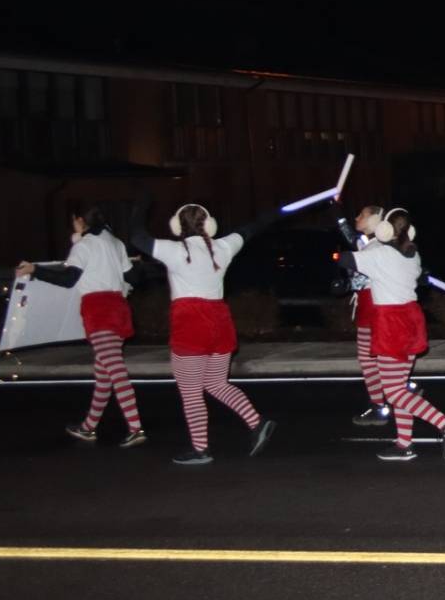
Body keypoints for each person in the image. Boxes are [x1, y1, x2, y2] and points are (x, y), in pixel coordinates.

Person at [129, 197, 280, 466]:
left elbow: (137, 237)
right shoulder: (223, 246)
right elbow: (252, 228)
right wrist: (274, 213)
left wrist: (141, 205)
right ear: (209, 225)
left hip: (190, 324)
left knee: (191, 392)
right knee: (216, 383)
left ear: (177, 226)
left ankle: (200, 449)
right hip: (219, 322)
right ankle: (257, 422)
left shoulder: (173, 250)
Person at [338, 207, 445, 462]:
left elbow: (345, 259)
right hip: (411, 318)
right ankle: (404, 444)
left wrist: (344, 251)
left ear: (384, 229)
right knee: (399, 386)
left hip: (391, 322)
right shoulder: (412, 255)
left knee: (394, 392)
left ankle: (444, 423)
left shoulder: (379, 254)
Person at [17, 207, 146, 447]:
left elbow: (68, 279)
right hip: (118, 308)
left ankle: (135, 427)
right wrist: (131, 263)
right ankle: (88, 427)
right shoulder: (115, 243)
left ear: (79, 221)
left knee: (115, 370)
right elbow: (134, 278)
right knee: (104, 374)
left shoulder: (84, 246)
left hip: (98, 311)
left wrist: (35, 270)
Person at [336, 206, 394, 428]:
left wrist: (346, 284)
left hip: (373, 306)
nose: (357, 217)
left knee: (370, 360)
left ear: (375, 219)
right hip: (372, 305)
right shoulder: (374, 244)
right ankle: (399, 391)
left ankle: (380, 405)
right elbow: (353, 239)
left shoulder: (376, 248)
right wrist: (338, 215)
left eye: (362, 215)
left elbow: (361, 276)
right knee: (379, 357)